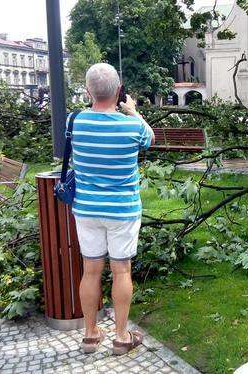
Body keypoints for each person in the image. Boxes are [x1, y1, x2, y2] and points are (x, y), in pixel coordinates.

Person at [70, 63, 154, 355]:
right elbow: (150, 138)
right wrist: (133, 110)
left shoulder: (75, 121)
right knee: (121, 271)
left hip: (87, 210)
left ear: (87, 90)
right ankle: (121, 337)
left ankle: (91, 335)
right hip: (122, 210)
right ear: (119, 91)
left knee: (90, 271)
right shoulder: (132, 126)